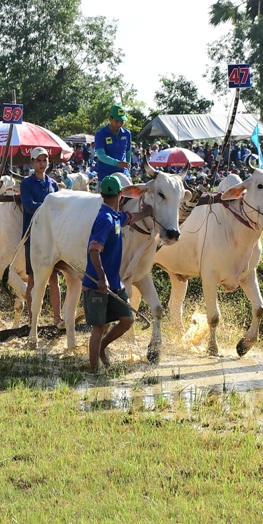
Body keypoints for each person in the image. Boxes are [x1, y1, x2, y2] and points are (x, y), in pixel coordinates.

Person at [83, 175, 153, 371]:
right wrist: (101, 277)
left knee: (127, 320)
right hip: (98, 284)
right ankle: (94, 370)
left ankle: (102, 348)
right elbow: (94, 249)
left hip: (114, 284)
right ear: (121, 195)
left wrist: (146, 212)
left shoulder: (114, 216)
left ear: (101, 194)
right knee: (99, 328)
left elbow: (129, 218)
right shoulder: (105, 219)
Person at [20, 147, 62, 327]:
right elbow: (28, 207)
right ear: (32, 162)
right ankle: (31, 320)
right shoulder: (26, 184)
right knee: (33, 278)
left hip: (52, 238)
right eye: (38, 160)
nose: (42, 163)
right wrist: (49, 207)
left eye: (45, 160)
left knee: (54, 279)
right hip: (34, 237)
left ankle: (58, 319)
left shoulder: (53, 184)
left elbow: (60, 207)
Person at [93, 104, 132, 181]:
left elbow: (128, 153)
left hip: (123, 175)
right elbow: (100, 155)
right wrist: (117, 163)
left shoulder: (127, 133)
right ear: (110, 119)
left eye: (122, 121)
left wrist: (128, 172)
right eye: (117, 121)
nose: (119, 124)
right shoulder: (100, 134)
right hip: (106, 175)